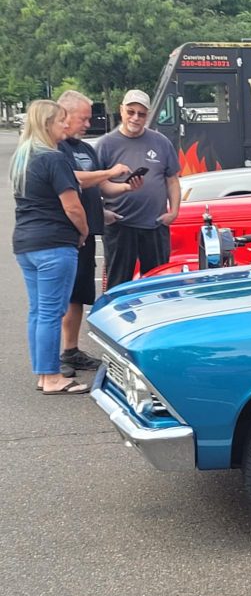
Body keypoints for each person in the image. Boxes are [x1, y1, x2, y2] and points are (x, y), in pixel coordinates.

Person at [56, 90, 138, 377]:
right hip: (66, 233)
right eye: (83, 118)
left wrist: (126, 186)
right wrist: (109, 172)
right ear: (63, 116)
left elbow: (101, 187)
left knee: (79, 293)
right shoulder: (55, 148)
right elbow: (75, 179)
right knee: (63, 296)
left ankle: (71, 350)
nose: (88, 124)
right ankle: (56, 357)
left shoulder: (86, 149)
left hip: (87, 233)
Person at [10, 100, 90, 394]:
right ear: (47, 125)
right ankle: (53, 377)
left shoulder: (22, 157)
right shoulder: (54, 159)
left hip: (26, 242)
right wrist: (83, 232)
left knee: (38, 311)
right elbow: (72, 206)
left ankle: (44, 374)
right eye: (60, 121)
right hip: (54, 243)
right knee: (51, 311)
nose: (66, 126)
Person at [95, 89, 181, 288]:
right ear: (121, 110)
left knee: (158, 284)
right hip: (120, 225)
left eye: (141, 114)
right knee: (118, 284)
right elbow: (95, 184)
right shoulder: (105, 144)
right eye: (130, 111)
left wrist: (174, 211)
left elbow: (172, 180)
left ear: (147, 116)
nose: (135, 118)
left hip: (155, 225)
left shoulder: (161, 142)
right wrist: (104, 212)